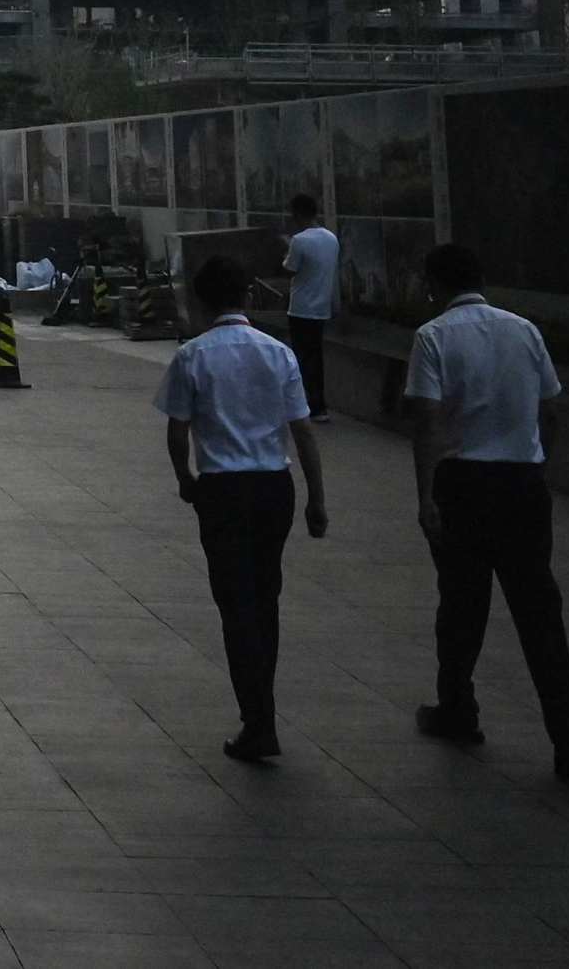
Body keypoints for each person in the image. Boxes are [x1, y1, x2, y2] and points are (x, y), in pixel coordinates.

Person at [402, 242, 569, 783]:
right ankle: (568, 734)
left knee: (462, 605)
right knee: (539, 613)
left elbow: (429, 423)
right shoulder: (524, 330)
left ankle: (458, 706)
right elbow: (549, 411)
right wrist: (535, 467)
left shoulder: (433, 336)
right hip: (523, 484)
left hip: (464, 484)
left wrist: (426, 495)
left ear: (435, 285)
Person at [159, 253, 329, 765]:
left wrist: (185, 479)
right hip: (274, 488)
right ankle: (263, 709)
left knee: (235, 606)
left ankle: (258, 719)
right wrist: (317, 499)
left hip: (223, 491)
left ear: (201, 300)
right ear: (248, 297)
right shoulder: (279, 353)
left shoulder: (193, 355)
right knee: (265, 597)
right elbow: (302, 430)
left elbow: (177, 428)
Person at [279, 194, 340, 410]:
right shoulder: (331, 238)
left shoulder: (299, 240)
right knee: (316, 356)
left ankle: (304, 404)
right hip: (321, 308)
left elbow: (289, 270)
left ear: (297, 214)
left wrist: (287, 247)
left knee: (301, 358)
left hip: (300, 308)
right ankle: (319, 404)